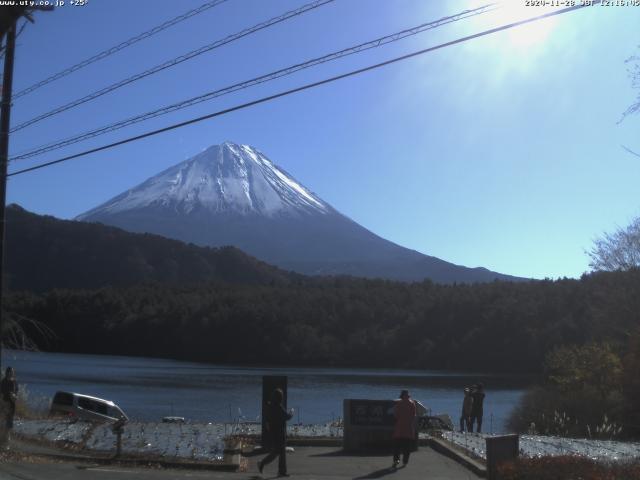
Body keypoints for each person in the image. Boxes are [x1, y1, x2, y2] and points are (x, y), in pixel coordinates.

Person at [258, 388, 293, 477]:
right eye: (281, 396)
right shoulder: (279, 407)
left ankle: (282, 471)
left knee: (281, 452)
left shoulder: (271, 406)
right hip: (280, 432)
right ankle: (262, 463)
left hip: (273, 432)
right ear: (280, 398)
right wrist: (292, 412)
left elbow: (267, 419)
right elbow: (287, 417)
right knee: (278, 451)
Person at [392, 389, 417, 468]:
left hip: (399, 428)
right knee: (407, 447)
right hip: (408, 428)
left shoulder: (399, 404)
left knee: (397, 446)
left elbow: (396, 415)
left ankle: (396, 460)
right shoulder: (412, 404)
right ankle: (405, 461)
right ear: (408, 396)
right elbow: (414, 416)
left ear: (402, 396)